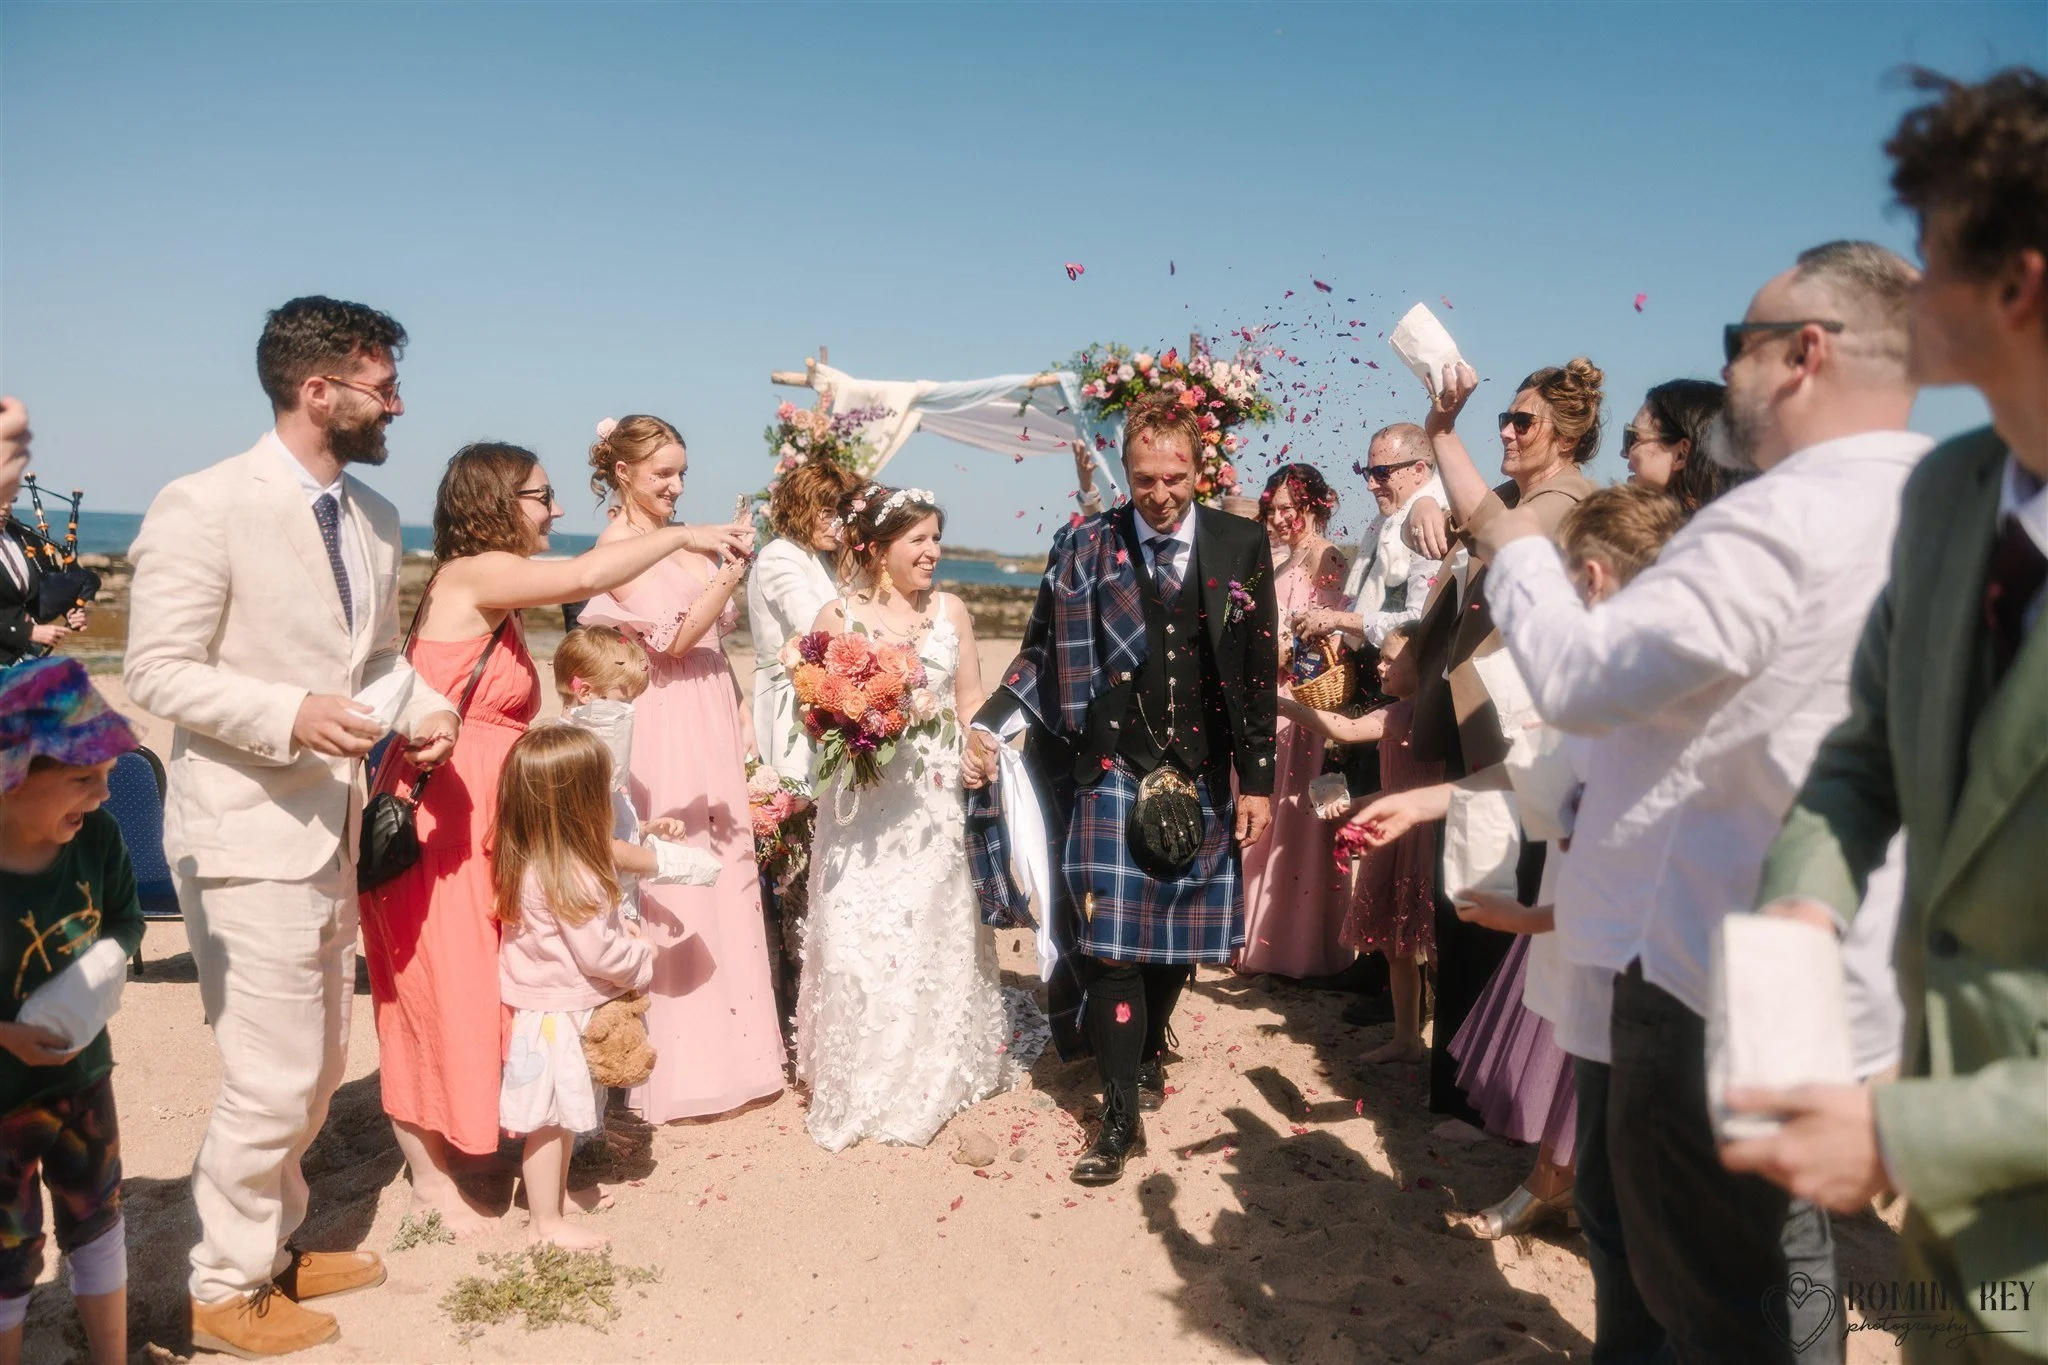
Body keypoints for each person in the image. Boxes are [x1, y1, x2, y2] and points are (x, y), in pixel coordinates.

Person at [1473, 241, 1926, 1362]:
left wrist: (1517, 556)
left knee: (1714, 1297)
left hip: (1716, 970)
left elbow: (1580, 682)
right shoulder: (1955, 504)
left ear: (1803, 354)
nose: (1728, 380)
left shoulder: (1777, 520)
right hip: (1855, 966)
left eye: (1742, 347)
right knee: (1783, 1263)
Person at [1728, 69, 2048, 1363]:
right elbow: (1862, 756)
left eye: (1928, 263)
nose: (1902, 293)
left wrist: (1901, 1131)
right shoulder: (1948, 495)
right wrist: (1808, 892)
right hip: (1958, 1268)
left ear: (2017, 287)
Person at [125, 296, 459, 1356]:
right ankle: (223, 1288)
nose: (396, 403)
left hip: (335, 828)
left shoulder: (374, 519)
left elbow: (368, 668)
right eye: (381, 385)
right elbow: (156, 670)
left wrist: (426, 709)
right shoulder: (202, 503)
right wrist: (288, 716)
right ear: (319, 390)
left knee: (315, 1071)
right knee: (269, 1076)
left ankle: (271, 1243)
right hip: (240, 832)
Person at [360, 442, 730, 1235]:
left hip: (492, 812)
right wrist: (683, 535)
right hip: (440, 819)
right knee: (439, 988)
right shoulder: (473, 573)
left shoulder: (493, 587)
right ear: (497, 501)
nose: (555, 510)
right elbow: (586, 578)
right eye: (540, 495)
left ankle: (482, 1145)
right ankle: (429, 1174)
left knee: (498, 985)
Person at [963, 392, 1278, 1186]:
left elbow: (1256, 669)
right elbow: (1038, 649)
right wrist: (989, 721)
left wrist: (1258, 780)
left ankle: (1143, 1045)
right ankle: (1118, 1117)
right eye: (1145, 480)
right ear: (1124, 473)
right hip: (1110, 769)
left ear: (1200, 470)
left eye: (1176, 478)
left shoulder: (1240, 542)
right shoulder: (1085, 543)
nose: (1161, 494)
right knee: (1111, 952)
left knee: (1179, 947)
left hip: (1204, 770)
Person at [795, 486, 1042, 1150]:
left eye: (937, 537)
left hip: (933, 803)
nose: (933, 551)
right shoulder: (837, 614)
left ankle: (928, 1074)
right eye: (919, 540)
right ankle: (854, 1073)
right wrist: (845, 721)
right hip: (860, 804)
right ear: (879, 550)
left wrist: (980, 746)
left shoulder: (953, 610)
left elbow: (971, 700)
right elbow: (809, 708)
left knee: (930, 932)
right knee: (852, 934)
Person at [1405, 357, 1602, 1127]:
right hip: (1473, 726)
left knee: (1488, 902)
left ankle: (1483, 1093)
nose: (1509, 432)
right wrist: (1431, 514)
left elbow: (1498, 536)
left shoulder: (1571, 503)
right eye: (1506, 420)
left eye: (1524, 422)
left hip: (1513, 738)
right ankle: (1456, 1082)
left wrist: (1440, 443)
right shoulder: (1524, 495)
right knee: (1461, 899)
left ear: (1569, 433)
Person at [578, 415, 785, 1124]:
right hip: (664, 716)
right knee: (674, 871)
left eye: (682, 473)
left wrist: (738, 718)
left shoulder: (683, 536)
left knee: (726, 869)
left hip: (706, 705)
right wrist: (730, 572)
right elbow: (674, 636)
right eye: (663, 472)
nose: (675, 485)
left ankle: (740, 1054)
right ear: (622, 472)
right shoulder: (616, 546)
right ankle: (677, 1067)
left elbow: (712, 648)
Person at [0, 659, 143, 1365]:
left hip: (84, 1079)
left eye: (109, 772)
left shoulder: (99, 841)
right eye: (84, 776)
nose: (105, 791)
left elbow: (125, 924)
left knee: (97, 1218)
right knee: (8, 1248)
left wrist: (98, 974)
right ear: (16, 773)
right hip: (4, 1099)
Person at [492, 725, 656, 1250]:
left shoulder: (529, 858)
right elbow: (598, 954)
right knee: (550, 1119)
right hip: (556, 1016)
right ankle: (546, 1221)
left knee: (557, 1115)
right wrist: (641, 954)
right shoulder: (575, 873)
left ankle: (555, 1197)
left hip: (540, 1007)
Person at [1280, 622, 1441, 1063]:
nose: (1380, 665)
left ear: (1423, 664)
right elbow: (1398, 789)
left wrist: (1276, 702)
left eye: (1391, 659)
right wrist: (1351, 804)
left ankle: (1443, 1045)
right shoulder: (1404, 706)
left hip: (1420, 840)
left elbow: (1345, 730)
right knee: (1397, 948)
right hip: (1396, 832)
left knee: (1428, 945)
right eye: (1381, 656)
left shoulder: (1414, 710)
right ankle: (1407, 1038)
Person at [1238, 464, 1352, 979]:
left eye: (1291, 508)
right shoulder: (1280, 559)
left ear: (1316, 505)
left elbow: (1328, 640)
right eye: (1275, 509)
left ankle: (1293, 944)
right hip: (1269, 698)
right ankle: (1251, 931)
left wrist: (1284, 649)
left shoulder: (1328, 556)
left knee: (1295, 817)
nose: (1282, 518)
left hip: (1301, 702)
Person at [748, 460, 859, 784]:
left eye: (840, 514)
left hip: (822, 705)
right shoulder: (779, 555)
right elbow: (814, 625)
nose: (836, 524)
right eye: (826, 513)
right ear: (801, 508)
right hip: (789, 706)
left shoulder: (822, 560)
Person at [1295, 423, 1447, 653]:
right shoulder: (1384, 525)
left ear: (1418, 471)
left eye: (1381, 473)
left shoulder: (1428, 523)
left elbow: (1419, 621)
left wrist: (1338, 621)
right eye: (1368, 473)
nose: (1370, 485)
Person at [1621, 378, 1745, 513]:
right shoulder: (1736, 523)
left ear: (1682, 454)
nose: (1623, 452)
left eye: (1633, 437)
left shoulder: (1689, 532)